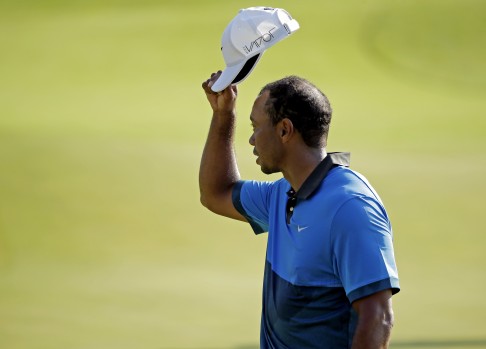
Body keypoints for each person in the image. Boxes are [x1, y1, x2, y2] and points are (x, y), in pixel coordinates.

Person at [199, 71, 400, 348]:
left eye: (256, 127)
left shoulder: (350, 207)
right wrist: (223, 116)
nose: (252, 140)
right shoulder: (282, 193)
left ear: (284, 130)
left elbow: (377, 318)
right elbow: (215, 192)